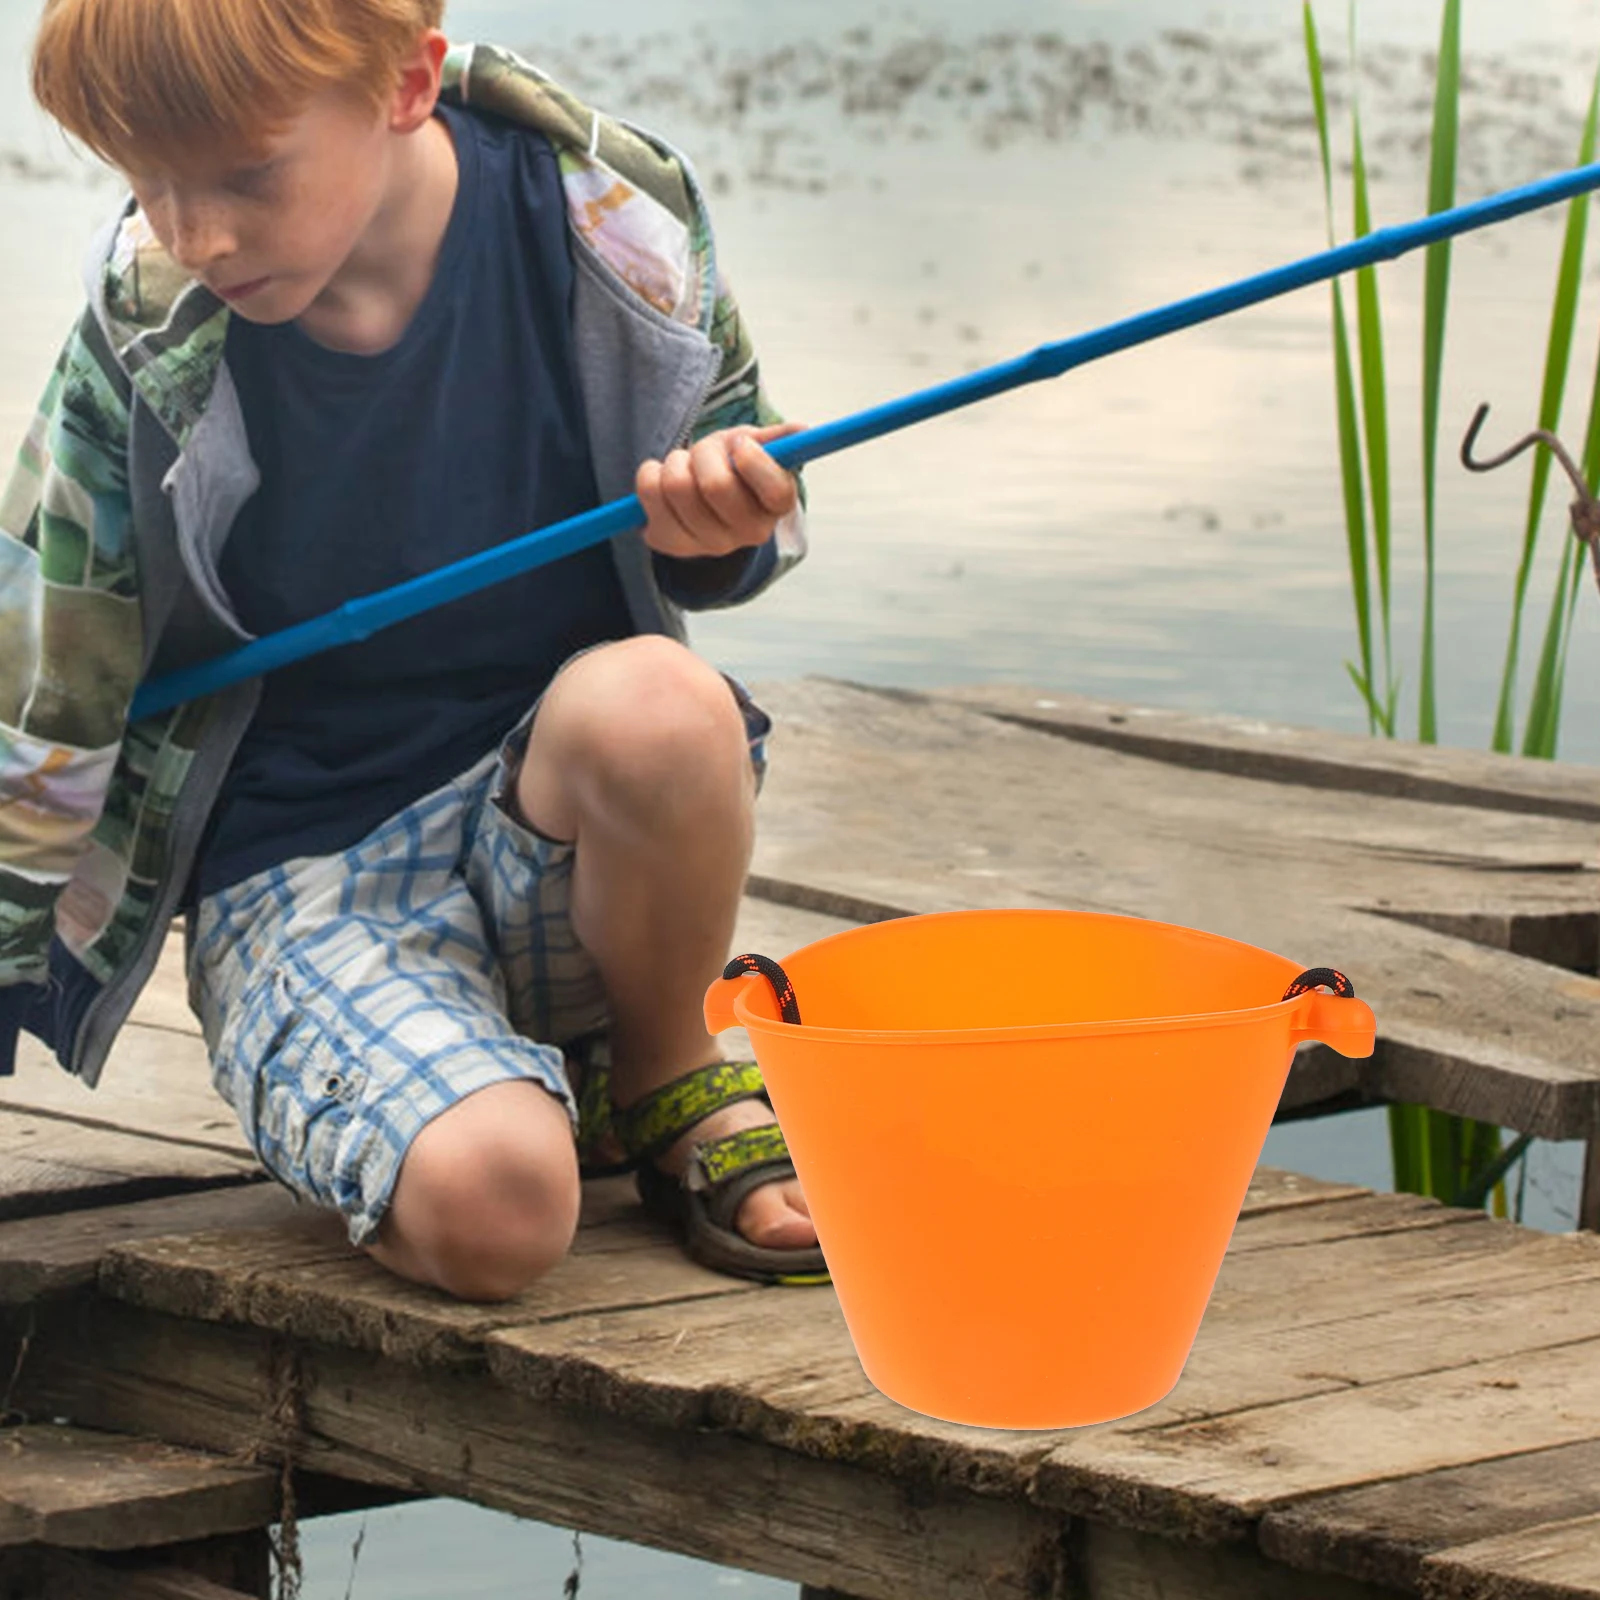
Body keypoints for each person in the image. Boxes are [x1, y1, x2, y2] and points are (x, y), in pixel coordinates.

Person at [0, 0, 828, 1299]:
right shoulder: (147, 322)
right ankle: (472, 1100)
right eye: (149, 183)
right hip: (307, 878)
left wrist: (718, 521)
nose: (197, 233)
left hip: (574, 853)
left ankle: (665, 1074)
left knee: (664, 703)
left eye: (244, 176)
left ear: (403, 84)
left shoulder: (615, 217)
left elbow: (744, 527)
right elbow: (44, 681)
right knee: (503, 1213)